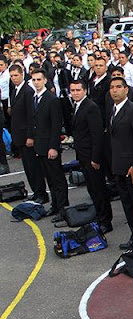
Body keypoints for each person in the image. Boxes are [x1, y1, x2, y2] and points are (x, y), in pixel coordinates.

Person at [107, 76, 133, 250]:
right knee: (127, 205)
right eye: (112, 87)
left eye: (118, 87)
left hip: (132, 170)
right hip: (119, 167)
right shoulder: (114, 109)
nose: (115, 90)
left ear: (126, 90)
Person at [69, 79, 113, 233]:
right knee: (92, 189)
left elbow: (97, 135)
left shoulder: (90, 107)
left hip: (92, 157)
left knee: (99, 189)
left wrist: (95, 158)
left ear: (85, 91)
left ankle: (106, 220)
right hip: (83, 155)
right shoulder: (77, 106)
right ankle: (99, 216)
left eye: (78, 90)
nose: (75, 93)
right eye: (72, 90)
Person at [31, 68, 67, 221]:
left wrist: (53, 146)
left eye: (39, 79)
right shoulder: (35, 98)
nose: (36, 82)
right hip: (40, 145)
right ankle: (55, 205)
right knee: (50, 179)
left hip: (49, 146)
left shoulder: (51, 99)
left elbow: (56, 125)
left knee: (57, 178)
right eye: (34, 80)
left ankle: (63, 208)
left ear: (45, 80)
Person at [8, 64, 46, 203]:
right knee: (28, 167)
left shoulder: (27, 91)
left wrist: (30, 136)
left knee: (34, 166)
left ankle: (41, 192)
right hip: (19, 134)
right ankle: (36, 191)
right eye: (11, 76)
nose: (14, 78)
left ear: (22, 74)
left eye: (16, 75)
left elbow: (31, 116)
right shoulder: (15, 90)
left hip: (27, 136)